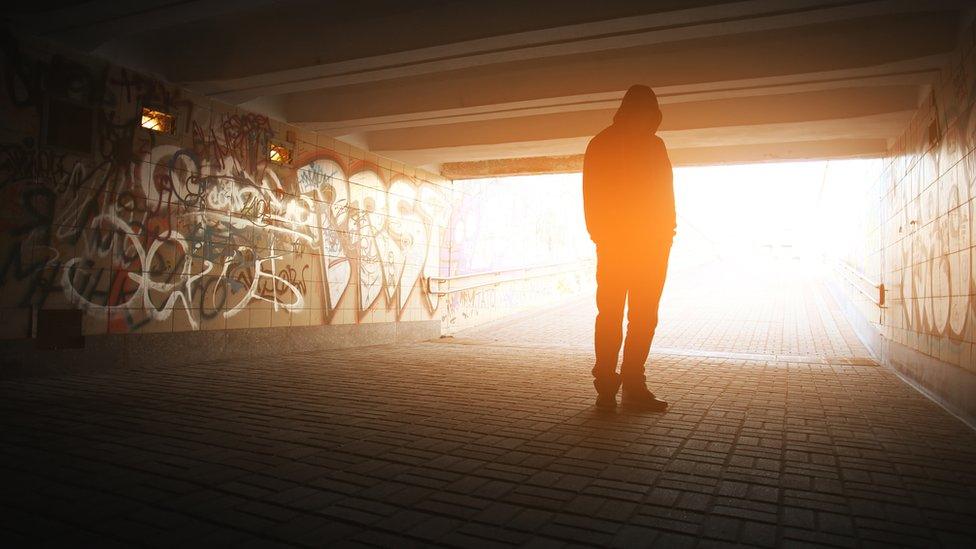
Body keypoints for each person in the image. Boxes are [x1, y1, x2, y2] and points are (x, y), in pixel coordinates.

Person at [582, 84, 675, 411]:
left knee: (633, 317)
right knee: (622, 316)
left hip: (642, 249)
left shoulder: (650, 146)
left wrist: (666, 237)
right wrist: (605, 238)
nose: (648, 121)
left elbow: (666, 197)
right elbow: (593, 199)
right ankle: (616, 386)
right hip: (624, 248)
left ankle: (624, 385)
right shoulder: (606, 144)